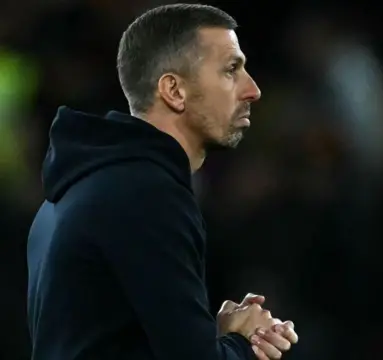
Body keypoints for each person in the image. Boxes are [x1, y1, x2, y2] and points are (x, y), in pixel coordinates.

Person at [26, 4, 298, 360]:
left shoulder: (80, 185)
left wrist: (211, 336)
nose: (253, 90)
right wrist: (248, 344)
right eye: (232, 69)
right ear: (174, 90)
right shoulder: (148, 195)